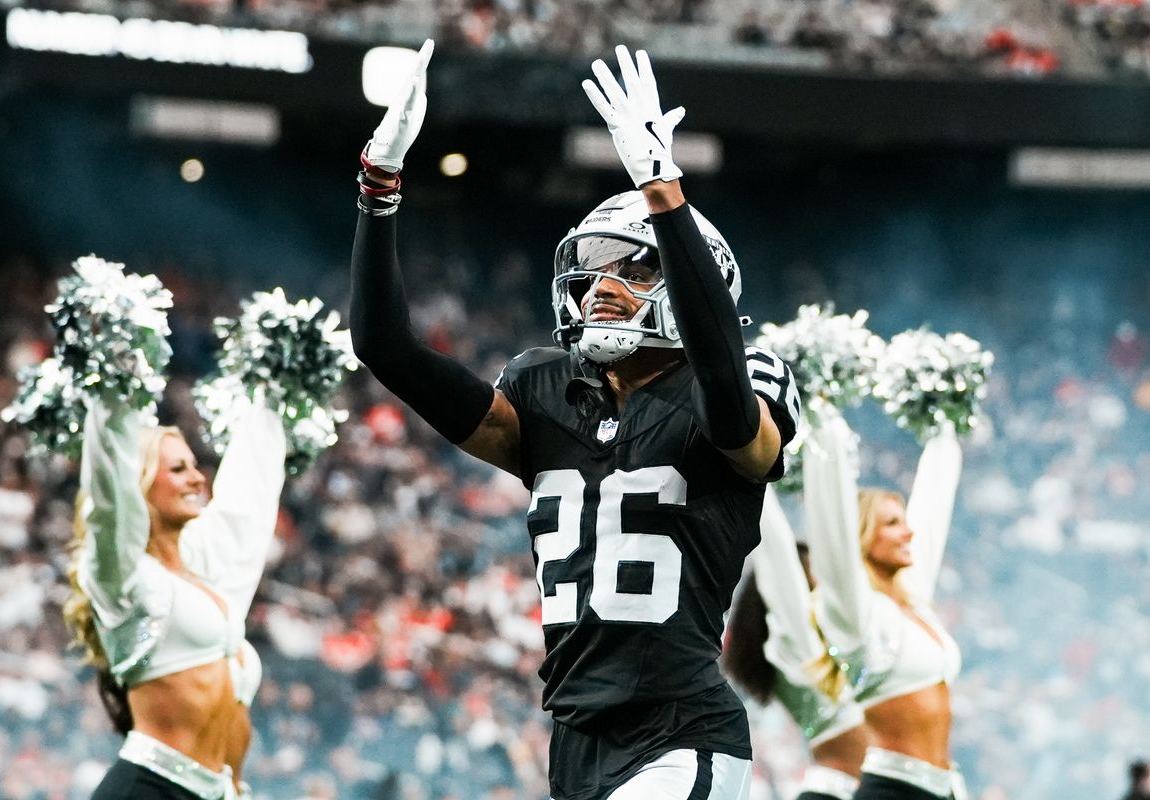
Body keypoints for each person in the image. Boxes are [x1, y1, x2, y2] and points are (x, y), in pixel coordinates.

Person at [348, 41, 801, 800]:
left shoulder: (742, 381)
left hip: (683, 733)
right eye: (594, 270)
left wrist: (663, 189)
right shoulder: (542, 391)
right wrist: (378, 185)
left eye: (636, 268)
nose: (603, 287)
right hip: (573, 741)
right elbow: (384, 346)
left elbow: (724, 390)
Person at [62, 393, 285, 799]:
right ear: (139, 483)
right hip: (151, 789)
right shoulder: (124, 581)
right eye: (178, 469)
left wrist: (271, 393)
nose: (199, 479)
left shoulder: (201, 574)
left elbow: (246, 506)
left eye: (194, 466)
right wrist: (112, 392)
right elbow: (108, 494)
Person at [803, 401, 964, 800]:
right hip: (893, 791)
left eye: (904, 520)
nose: (909, 532)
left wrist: (946, 421)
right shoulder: (855, 615)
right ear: (862, 535)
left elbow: (934, 507)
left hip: (942, 789)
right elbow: (833, 538)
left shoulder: (913, 602)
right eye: (892, 523)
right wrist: (824, 420)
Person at [723, 486, 868, 800]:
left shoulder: (846, 653)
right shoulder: (795, 650)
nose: (829, 595)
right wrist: (755, 477)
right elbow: (776, 557)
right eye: (816, 584)